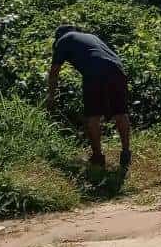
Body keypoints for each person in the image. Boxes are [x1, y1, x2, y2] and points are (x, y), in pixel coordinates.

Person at [47, 25, 131, 170]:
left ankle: (98, 157)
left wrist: (51, 97)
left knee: (93, 116)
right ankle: (126, 152)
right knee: (120, 112)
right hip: (117, 69)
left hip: (95, 71)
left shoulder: (63, 40)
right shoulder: (91, 37)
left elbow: (54, 72)